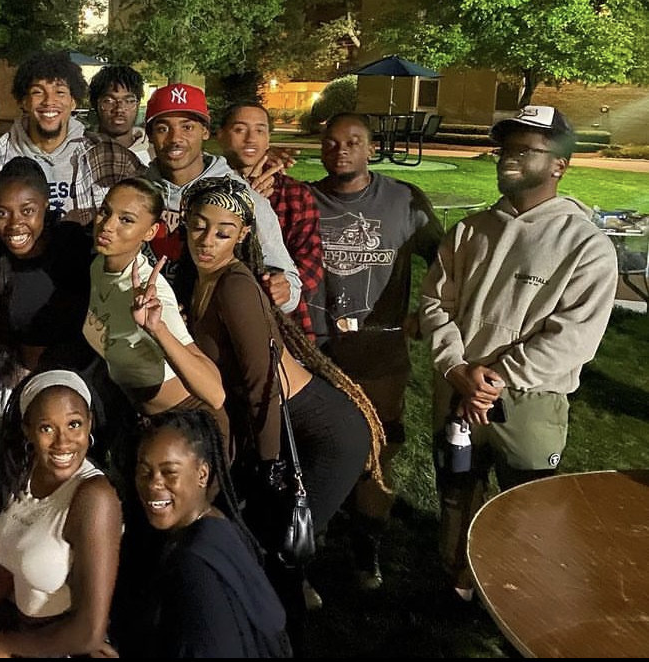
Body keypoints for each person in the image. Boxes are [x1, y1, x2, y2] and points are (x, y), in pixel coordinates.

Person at [419, 106, 617, 602]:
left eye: (526, 150)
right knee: (456, 492)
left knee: (524, 503)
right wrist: (456, 367)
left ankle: (516, 594)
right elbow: (434, 302)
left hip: (528, 401)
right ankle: (457, 581)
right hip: (457, 391)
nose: (510, 159)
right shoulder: (470, 231)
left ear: (559, 165)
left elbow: (575, 335)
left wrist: (495, 377)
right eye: (506, 149)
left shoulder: (585, 245)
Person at [180, 176, 378, 647]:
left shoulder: (234, 286)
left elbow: (261, 385)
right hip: (281, 427)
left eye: (223, 231)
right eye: (198, 226)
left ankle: (284, 643)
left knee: (281, 552)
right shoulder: (202, 278)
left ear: (244, 234)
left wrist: (268, 469)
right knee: (269, 550)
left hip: (320, 433)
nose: (207, 241)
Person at [308, 112, 445, 591]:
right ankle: (315, 532)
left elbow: (447, 261)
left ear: (371, 149)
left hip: (381, 352)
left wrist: (426, 314)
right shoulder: (305, 198)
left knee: (378, 447)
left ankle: (367, 547)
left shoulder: (405, 199)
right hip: (317, 351)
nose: (341, 149)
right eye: (332, 141)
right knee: (314, 445)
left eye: (354, 141)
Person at [0, 370, 121, 657]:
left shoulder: (94, 497)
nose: (62, 442)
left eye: (74, 425)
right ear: (28, 429)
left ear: (89, 423)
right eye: (47, 428)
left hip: (58, 646)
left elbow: (88, 632)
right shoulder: (23, 475)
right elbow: (1, 577)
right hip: (17, 632)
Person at [125, 409, 292, 658]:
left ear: (202, 474)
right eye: (144, 471)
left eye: (169, 472)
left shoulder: (192, 567)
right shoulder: (217, 524)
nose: (153, 484)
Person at [85, 178, 227, 451]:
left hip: (191, 426)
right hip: (145, 422)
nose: (108, 225)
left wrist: (157, 328)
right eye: (105, 211)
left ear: (150, 232)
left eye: (126, 220)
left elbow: (214, 393)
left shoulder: (152, 294)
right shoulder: (96, 266)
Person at [140, 83, 301, 314]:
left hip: (212, 337)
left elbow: (289, 285)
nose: (176, 138)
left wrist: (282, 290)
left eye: (187, 127)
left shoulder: (241, 197)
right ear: (150, 134)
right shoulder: (137, 193)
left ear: (205, 131)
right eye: (163, 128)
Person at [0, 51, 143, 227]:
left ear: (74, 101)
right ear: (23, 101)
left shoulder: (113, 157)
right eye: (38, 92)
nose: (49, 101)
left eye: (60, 92)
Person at [0, 156, 94, 391]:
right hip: (8, 382)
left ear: (45, 205)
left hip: (75, 381)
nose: (15, 223)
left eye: (27, 211)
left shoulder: (73, 247)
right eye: (2, 213)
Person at [217, 102, 323, 340]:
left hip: (282, 323)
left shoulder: (294, 195)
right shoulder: (209, 191)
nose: (250, 139)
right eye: (240, 129)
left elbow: (311, 264)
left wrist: (284, 287)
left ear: (268, 140)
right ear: (220, 135)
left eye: (260, 130)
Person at [89, 64, 151, 164]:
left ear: (138, 104)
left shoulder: (155, 156)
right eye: (109, 101)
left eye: (129, 101)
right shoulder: (78, 153)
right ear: (95, 104)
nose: (119, 109)